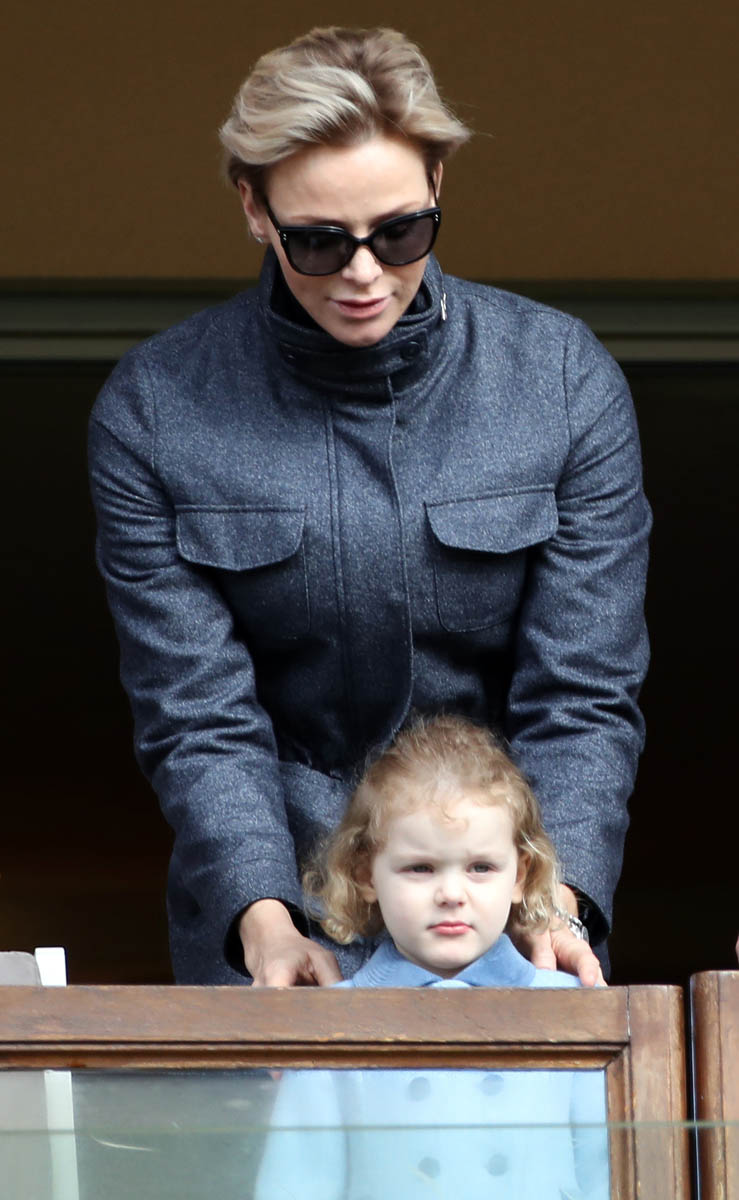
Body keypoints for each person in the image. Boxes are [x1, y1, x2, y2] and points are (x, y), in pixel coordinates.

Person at [88, 26, 650, 987]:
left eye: (399, 235)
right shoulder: (155, 411)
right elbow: (197, 715)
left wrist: (554, 902)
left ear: (438, 183)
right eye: (317, 240)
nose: (361, 274)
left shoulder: (560, 381)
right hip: (280, 914)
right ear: (253, 207)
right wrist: (258, 916)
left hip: (507, 909)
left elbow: (582, 693)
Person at [254, 715, 609, 1200]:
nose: (451, 893)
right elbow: (297, 1185)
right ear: (366, 875)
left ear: (521, 876)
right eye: (420, 868)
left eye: (481, 867)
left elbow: (609, 1174)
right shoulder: (331, 1023)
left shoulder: (572, 1011)